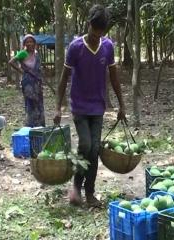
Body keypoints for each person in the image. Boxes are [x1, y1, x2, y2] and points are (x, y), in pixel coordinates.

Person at [54, 4, 126, 207]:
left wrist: (121, 105)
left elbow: (114, 77)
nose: (97, 35)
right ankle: (76, 187)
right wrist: (58, 107)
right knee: (85, 144)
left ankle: (90, 193)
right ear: (89, 25)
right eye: (94, 30)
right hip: (79, 105)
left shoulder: (108, 46)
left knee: (94, 149)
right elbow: (63, 78)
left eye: (101, 32)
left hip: (98, 106)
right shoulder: (75, 47)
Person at [9, 34, 45, 127]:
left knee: (39, 103)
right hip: (28, 82)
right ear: (25, 43)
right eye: (27, 42)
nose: (30, 43)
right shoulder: (23, 53)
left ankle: (40, 125)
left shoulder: (36, 53)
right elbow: (11, 62)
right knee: (30, 103)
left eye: (31, 41)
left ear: (34, 43)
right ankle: (31, 125)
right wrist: (21, 71)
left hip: (37, 82)